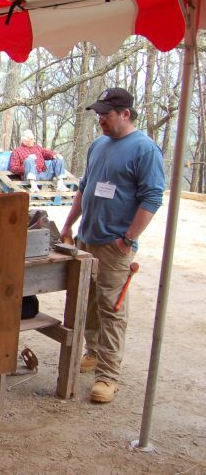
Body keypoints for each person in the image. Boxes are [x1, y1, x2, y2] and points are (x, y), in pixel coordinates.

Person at [60, 88, 164, 404]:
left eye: (106, 114)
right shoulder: (99, 145)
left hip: (114, 245)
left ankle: (108, 375)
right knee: (89, 301)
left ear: (125, 114)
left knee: (112, 308)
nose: (101, 120)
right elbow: (84, 188)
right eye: (99, 115)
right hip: (87, 239)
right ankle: (93, 352)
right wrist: (69, 224)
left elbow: (153, 197)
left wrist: (128, 239)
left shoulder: (145, 149)